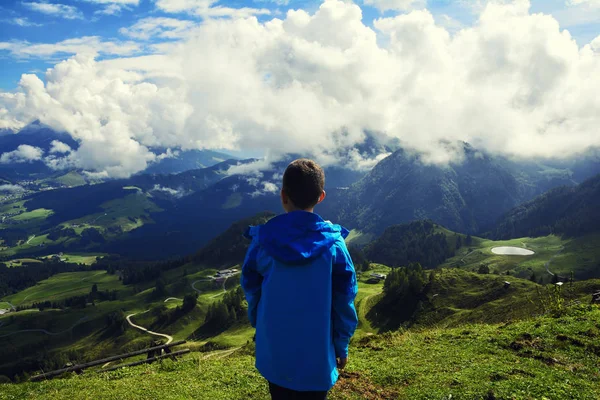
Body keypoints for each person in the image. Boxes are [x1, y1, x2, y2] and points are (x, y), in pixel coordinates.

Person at [241, 158, 359, 400]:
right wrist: (341, 344)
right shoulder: (334, 246)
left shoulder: (262, 243)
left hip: (275, 356)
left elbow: (251, 289)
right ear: (321, 197)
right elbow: (345, 299)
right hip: (317, 361)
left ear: (283, 195)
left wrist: (258, 323)